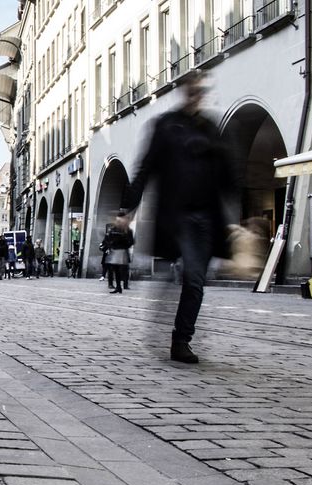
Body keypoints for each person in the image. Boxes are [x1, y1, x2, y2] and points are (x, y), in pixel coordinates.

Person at [123, 71, 238, 364]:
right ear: (183, 91)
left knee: (196, 280)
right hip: (178, 218)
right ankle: (175, 331)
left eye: (201, 91)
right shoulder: (166, 126)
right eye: (193, 90)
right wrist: (128, 210)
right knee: (189, 274)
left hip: (206, 217)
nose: (198, 96)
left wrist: (239, 217)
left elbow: (228, 174)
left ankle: (181, 340)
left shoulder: (210, 128)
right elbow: (145, 169)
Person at [102, 214, 134, 294]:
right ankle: (118, 287)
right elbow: (107, 239)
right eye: (118, 220)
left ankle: (124, 285)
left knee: (123, 269)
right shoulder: (113, 229)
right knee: (115, 269)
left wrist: (124, 243)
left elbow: (131, 242)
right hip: (114, 251)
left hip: (122, 251)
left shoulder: (128, 230)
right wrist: (111, 244)